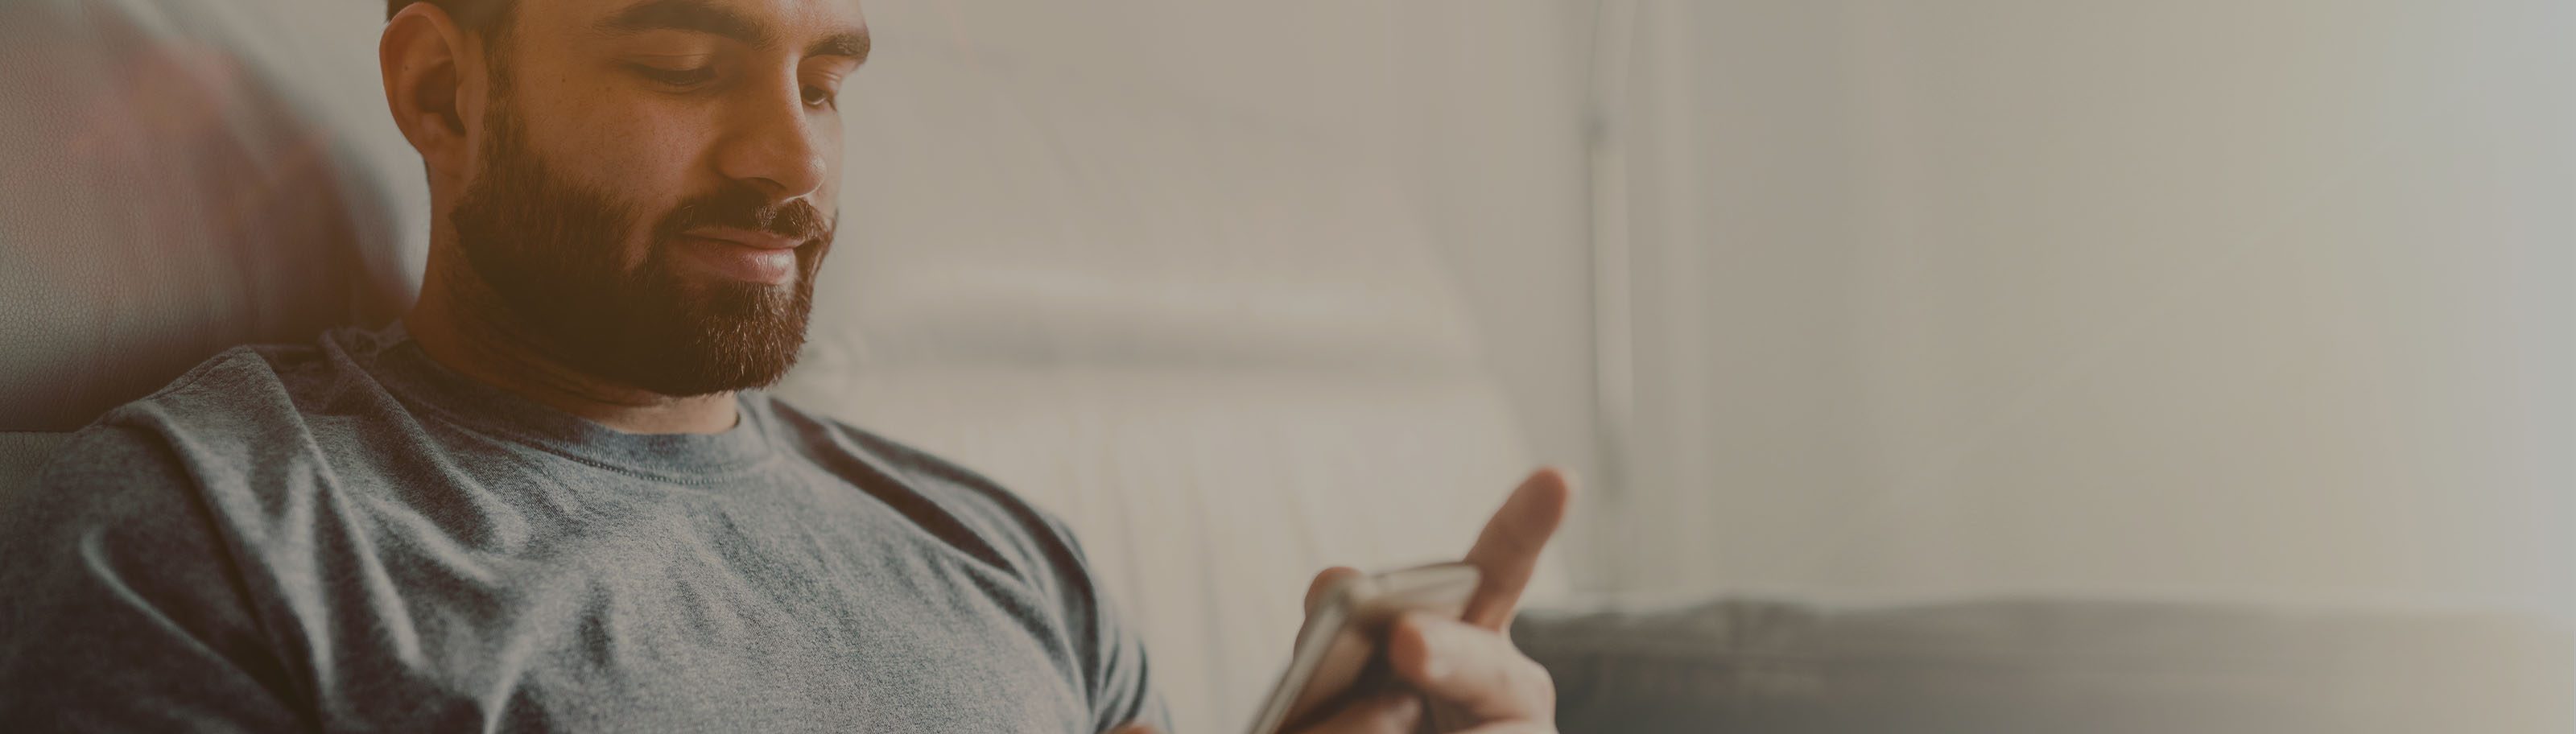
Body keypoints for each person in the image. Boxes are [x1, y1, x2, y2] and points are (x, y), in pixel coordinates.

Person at [0, 0, 1571, 732]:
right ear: (442, 90)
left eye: (824, 82)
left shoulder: (1007, 553)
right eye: (684, 66)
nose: (794, 166)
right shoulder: (203, 540)